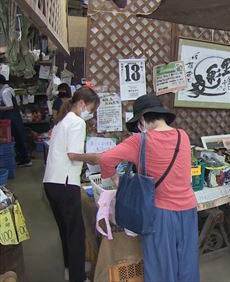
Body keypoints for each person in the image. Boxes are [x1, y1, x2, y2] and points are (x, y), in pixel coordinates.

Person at [97, 95, 199, 282]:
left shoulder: (140, 141)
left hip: (160, 214)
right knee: (187, 264)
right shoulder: (182, 136)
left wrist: (116, 180)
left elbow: (104, 159)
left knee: (161, 268)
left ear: (142, 120)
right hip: (189, 210)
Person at [43, 87, 100, 282]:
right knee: (76, 233)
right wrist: (96, 158)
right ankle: (77, 277)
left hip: (51, 183)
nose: (90, 115)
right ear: (82, 104)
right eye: (91, 110)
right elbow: (73, 155)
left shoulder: (61, 122)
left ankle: (70, 269)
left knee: (65, 230)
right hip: (66, 183)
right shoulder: (76, 122)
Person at [0, 74, 31, 166]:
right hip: (14, 117)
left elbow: (10, 106)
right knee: (18, 138)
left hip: (11, 118)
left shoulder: (5, 92)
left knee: (17, 139)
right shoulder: (9, 89)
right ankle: (22, 159)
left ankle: (25, 160)